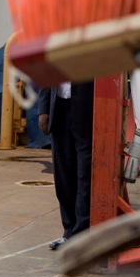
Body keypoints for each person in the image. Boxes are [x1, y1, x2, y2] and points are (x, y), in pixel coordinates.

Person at [38, 81, 94, 250]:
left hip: (87, 110)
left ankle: (82, 233)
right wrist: (44, 109)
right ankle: (69, 231)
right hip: (59, 109)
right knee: (63, 174)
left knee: (85, 174)